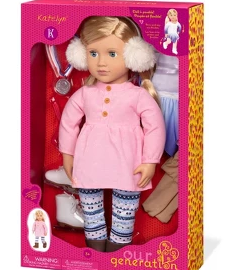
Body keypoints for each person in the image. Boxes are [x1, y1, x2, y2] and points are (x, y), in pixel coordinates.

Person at [59, 16, 166, 252]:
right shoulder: (85, 94)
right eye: (93, 53)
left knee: (125, 209)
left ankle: (119, 246)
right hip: (90, 160)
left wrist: (150, 160)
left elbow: (155, 127)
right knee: (90, 206)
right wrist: (68, 154)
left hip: (128, 163)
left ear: (133, 55)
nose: (101, 63)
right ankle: (95, 244)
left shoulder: (137, 95)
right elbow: (68, 123)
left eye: (112, 54)